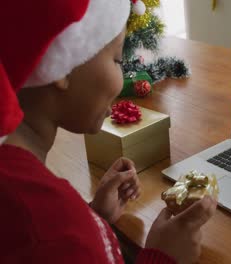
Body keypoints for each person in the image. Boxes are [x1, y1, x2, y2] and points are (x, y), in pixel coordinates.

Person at [0, 1, 216, 264]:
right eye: (117, 59)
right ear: (64, 63)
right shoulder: (53, 228)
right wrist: (163, 257)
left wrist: (93, 217)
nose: (123, 75)